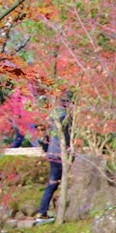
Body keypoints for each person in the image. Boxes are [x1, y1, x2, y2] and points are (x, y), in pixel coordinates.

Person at [14, 93, 71, 224]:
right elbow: (66, 137)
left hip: (52, 153)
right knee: (57, 183)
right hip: (60, 153)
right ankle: (47, 212)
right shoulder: (65, 117)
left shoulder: (51, 116)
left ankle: (43, 211)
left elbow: (45, 136)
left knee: (52, 183)